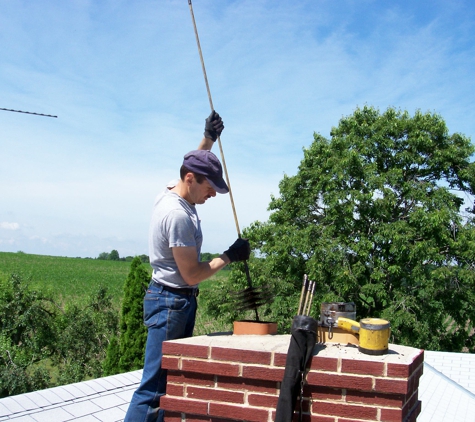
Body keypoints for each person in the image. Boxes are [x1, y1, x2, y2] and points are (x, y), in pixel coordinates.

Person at [124, 111, 251, 422]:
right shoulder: (177, 216)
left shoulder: (172, 189)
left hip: (172, 300)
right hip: (171, 303)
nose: (213, 194)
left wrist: (208, 138)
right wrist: (230, 256)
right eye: (211, 188)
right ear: (191, 180)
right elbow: (192, 274)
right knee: (154, 388)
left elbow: (194, 164)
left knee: (166, 382)